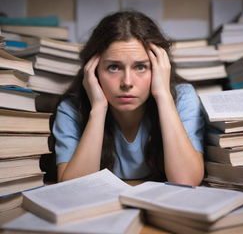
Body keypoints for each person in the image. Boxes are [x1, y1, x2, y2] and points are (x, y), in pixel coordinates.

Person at [53, 11, 205, 185]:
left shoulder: (183, 98)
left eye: (140, 67)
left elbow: (186, 181)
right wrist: (98, 109)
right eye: (113, 67)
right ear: (93, 71)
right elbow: (73, 188)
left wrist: (163, 96)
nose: (127, 82)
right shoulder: (71, 108)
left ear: (160, 68)